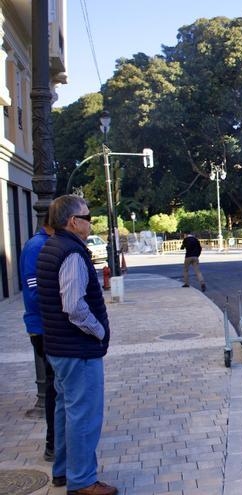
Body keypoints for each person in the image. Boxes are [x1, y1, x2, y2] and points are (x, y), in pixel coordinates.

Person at [37, 195, 117, 495]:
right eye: (88, 217)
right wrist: (98, 331)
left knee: (64, 409)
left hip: (59, 347)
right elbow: (73, 306)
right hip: (77, 349)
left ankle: (63, 471)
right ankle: (82, 481)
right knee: (84, 414)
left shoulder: (51, 247)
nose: (90, 222)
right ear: (73, 222)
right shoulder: (72, 253)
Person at [19, 217, 56, 462]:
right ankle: (53, 444)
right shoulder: (37, 246)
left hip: (49, 327)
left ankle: (56, 443)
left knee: (56, 386)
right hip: (45, 328)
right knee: (55, 388)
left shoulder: (46, 243)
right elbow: (35, 293)